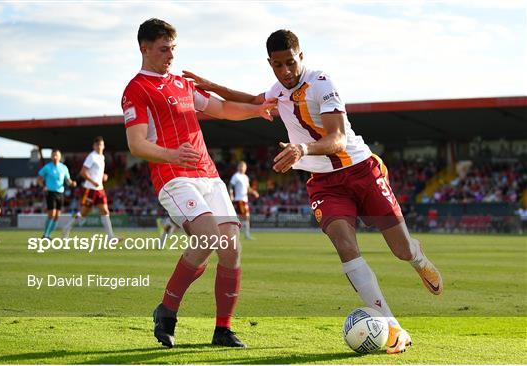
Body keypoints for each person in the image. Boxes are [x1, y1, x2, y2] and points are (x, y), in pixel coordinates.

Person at [183, 29, 443, 354]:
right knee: (345, 246)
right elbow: (253, 100)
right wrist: (212, 86)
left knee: (401, 249)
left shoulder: (322, 83)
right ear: (270, 64)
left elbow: (336, 139)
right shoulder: (278, 89)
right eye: (278, 65)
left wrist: (301, 150)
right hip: (324, 183)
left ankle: (417, 257)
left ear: (300, 56)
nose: (286, 71)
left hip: (360, 170)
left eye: (290, 63)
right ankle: (392, 327)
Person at [121, 18, 276, 348]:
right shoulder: (136, 89)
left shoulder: (182, 84)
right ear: (144, 49)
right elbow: (136, 144)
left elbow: (220, 109)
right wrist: (172, 155)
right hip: (172, 175)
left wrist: (256, 109)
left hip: (208, 175)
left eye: (173, 49)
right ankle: (167, 311)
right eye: (164, 49)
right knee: (207, 236)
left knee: (231, 248)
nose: (171, 56)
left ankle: (223, 330)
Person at [63, 136, 116, 239]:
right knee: (83, 213)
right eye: (97, 145)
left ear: (103, 146)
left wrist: (103, 176)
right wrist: (93, 181)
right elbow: (83, 172)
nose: (99, 147)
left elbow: (95, 172)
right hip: (90, 189)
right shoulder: (92, 157)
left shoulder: (102, 157)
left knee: (105, 211)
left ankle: (111, 237)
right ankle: (67, 227)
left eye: (101, 144)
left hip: (100, 189)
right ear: (94, 146)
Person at [37, 149, 77, 239]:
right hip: (50, 192)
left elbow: (68, 180)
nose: (55, 157)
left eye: (57, 155)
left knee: (57, 216)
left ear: (60, 157)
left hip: (60, 193)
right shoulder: (47, 167)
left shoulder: (63, 167)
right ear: (51, 157)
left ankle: (48, 234)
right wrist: (43, 186)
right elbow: (39, 179)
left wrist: (72, 183)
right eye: (53, 155)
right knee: (52, 214)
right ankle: (45, 234)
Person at [229, 161, 259, 240]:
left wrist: (254, 192)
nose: (243, 168)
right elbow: (230, 186)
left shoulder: (245, 177)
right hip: (239, 199)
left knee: (244, 217)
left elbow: (248, 189)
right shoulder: (236, 176)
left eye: (244, 167)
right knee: (244, 217)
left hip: (245, 200)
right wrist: (231, 195)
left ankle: (243, 234)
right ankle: (240, 234)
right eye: (241, 166)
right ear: (238, 167)